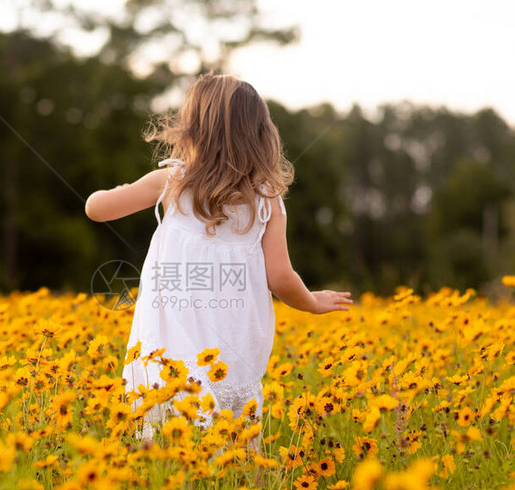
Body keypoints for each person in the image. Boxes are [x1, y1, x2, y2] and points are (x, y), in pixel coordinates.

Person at [85, 72, 352, 442]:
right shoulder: (267, 201)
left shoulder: (170, 183)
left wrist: (119, 189)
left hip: (168, 352)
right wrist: (311, 302)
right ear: (260, 135)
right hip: (232, 349)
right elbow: (280, 277)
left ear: (192, 129)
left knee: (162, 440)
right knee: (234, 443)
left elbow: (96, 209)